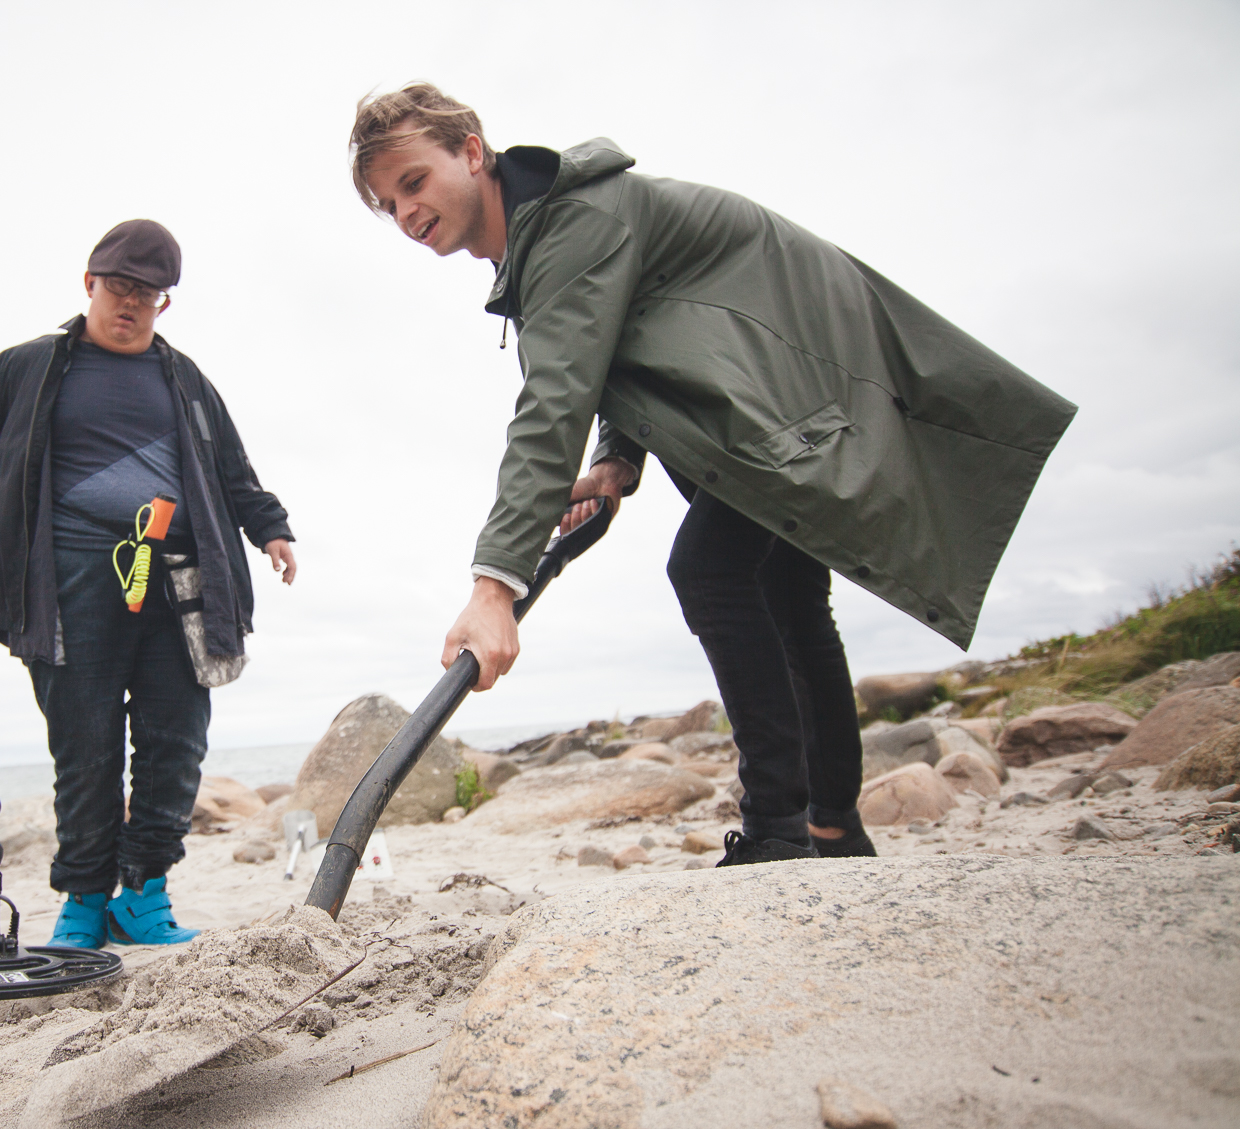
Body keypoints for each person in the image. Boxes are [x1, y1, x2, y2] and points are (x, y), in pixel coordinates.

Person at [348, 85, 1074, 866]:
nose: (407, 213)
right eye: (390, 205)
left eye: (413, 181)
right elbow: (625, 352)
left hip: (790, 390)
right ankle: (833, 829)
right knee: (791, 600)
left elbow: (554, 400)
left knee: (710, 570)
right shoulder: (545, 237)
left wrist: (495, 586)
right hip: (762, 402)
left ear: (470, 150)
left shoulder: (570, 223)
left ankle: (777, 831)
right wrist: (615, 462)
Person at [0, 219, 296, 945]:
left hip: (179, 585)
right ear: (89, 283)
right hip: (65, 586)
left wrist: (271, 528)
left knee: (175, 744)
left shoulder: (186, 379)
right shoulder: (26, 367)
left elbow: (232, 471)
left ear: (165, 303)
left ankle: (144, 895)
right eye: (119, 287)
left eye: (148, 294)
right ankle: (85, 903)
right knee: (85, 748)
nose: (130, 304)